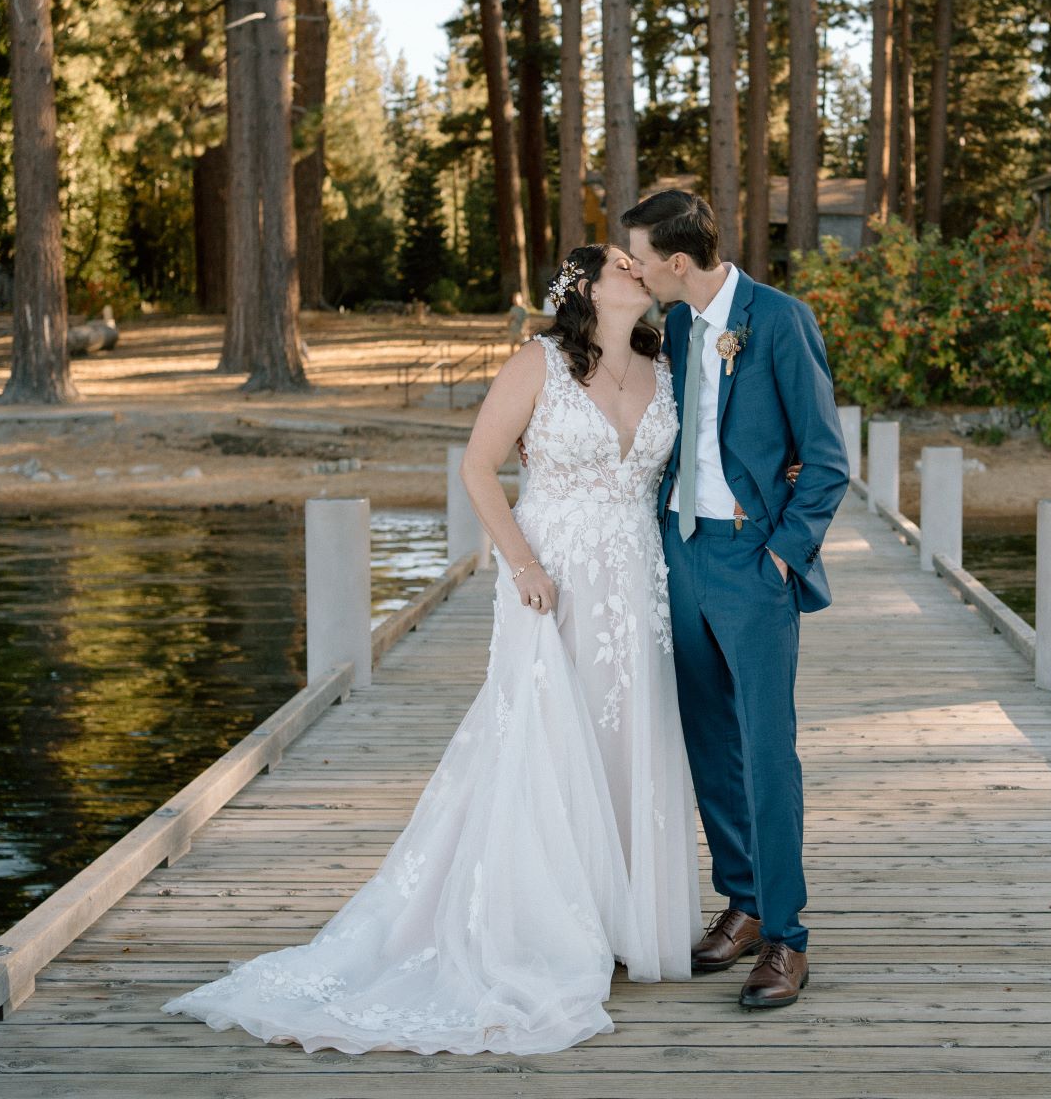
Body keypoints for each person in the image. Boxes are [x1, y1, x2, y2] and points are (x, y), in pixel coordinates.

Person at [160, 244, 699, 1053]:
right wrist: (521, 563)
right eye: (621, 262)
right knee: (545, 743)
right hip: (548, 575)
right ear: (585, 287)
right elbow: (480, 469)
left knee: (627, 736)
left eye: (638, 261)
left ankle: (622, 917)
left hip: (637, 580)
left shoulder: (665, 368)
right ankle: (539, 928)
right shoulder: (540, 363)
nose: (637, 268)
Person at [622, 190, 848, 1009]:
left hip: (755, 563)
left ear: (677, 261)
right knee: (709, 741)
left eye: (643, 257)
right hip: (682, 553)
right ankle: (744, 903)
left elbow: (825, 459)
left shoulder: (780, 321)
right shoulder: (678, 326)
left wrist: (783, 558)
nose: (638, 269)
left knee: (766, 746)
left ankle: (788, 936)